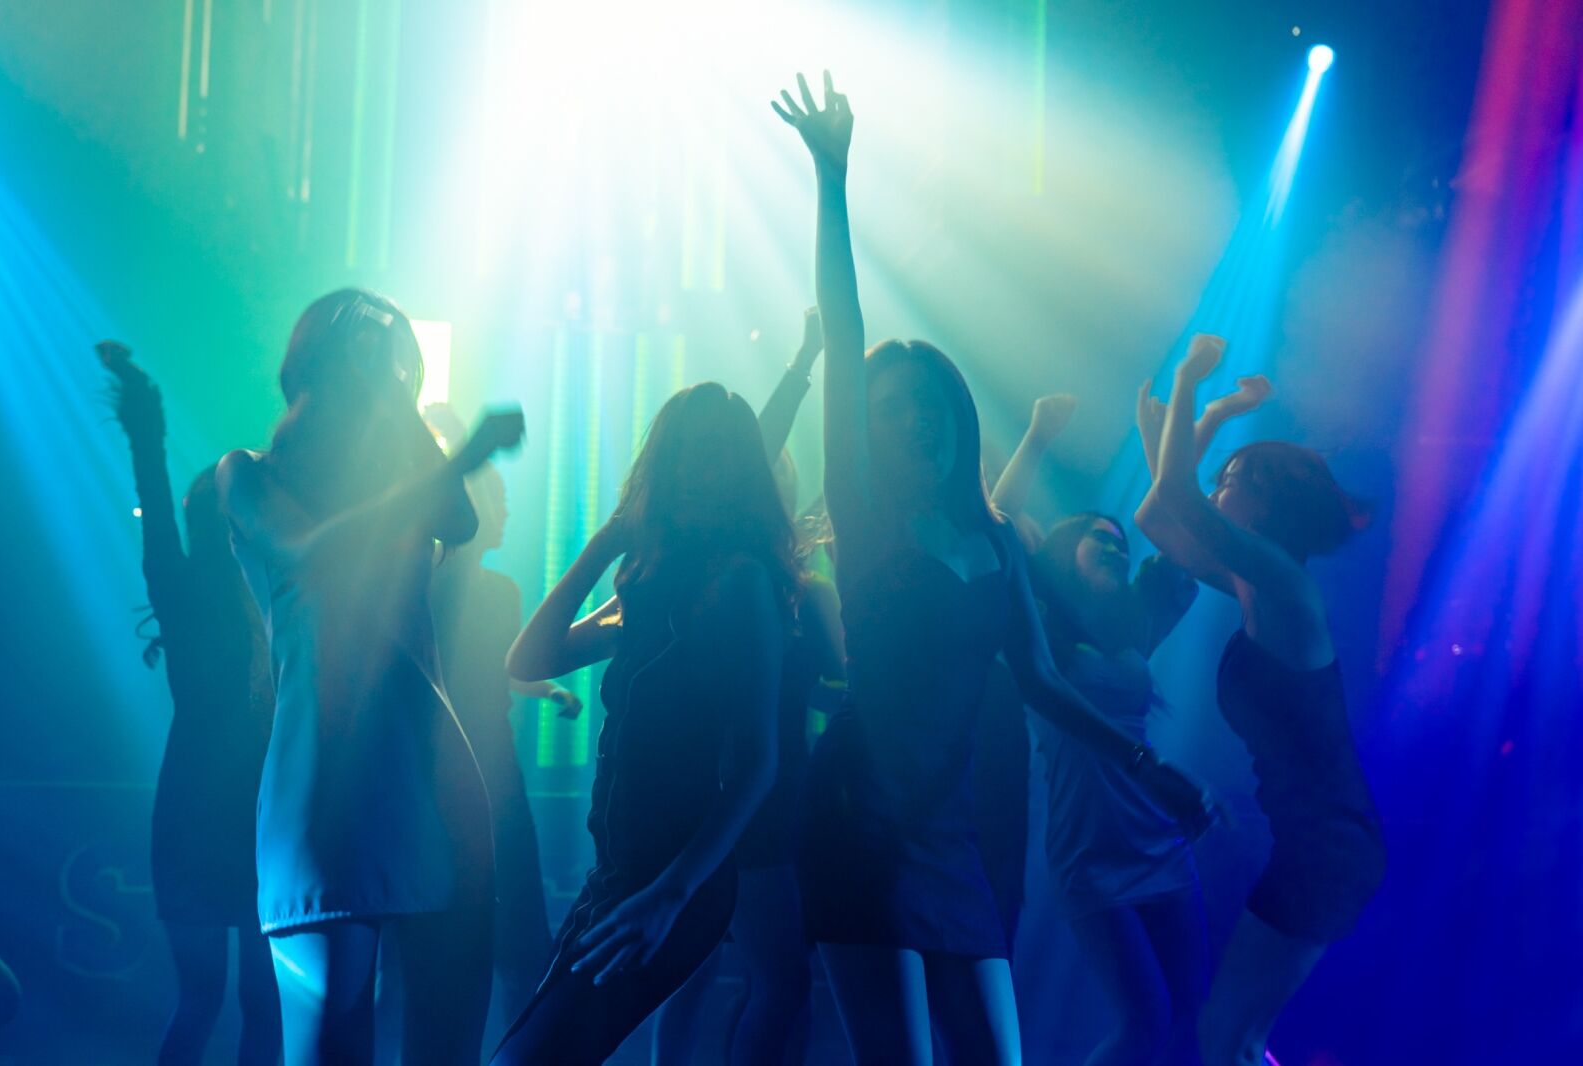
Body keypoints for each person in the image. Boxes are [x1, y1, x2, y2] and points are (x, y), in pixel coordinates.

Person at [774, 72, 1211, 1065]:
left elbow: (1045, 683)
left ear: (956, 418)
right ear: (867, 432)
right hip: (861, 815)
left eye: (929, 402)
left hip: (953, 830)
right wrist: (833, 180)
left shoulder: (995, 537)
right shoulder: (867, 521)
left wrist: (1154, 771)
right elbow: (843, 338)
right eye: (891, 407)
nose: (913, 417)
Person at [216, 289, 525, 1066]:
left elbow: (458, 520)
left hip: (437, 776)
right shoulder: (246, 474)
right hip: (324, 788)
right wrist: (458, 452)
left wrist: (403, 408)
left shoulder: (410, 487)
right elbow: (310, 549)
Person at [492, 382, 795, 1065]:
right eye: (684, 455)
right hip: (619, 878)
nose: (697, 473)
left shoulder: (739, 581)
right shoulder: (650, 584)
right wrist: (605, 544)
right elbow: (528, 658)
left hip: (671, 886)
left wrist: (671, 896)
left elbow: (757, 765)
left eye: (715, 456)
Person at [991, 382, 1264, 1066]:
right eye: (1098, 539)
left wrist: (1192, 425)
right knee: (1142, 1022)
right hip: (1088, 846)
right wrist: (1038, 436)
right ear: (1063, 554)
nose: (1115, 547)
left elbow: (1176, 523)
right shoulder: (1042, 635)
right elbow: (997, 518)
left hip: (1157, 833)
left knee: (1188, 1017)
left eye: (1119, 543)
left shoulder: (1134, 632)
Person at [1134, 335, 1385, 1066]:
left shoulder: (1283, 587)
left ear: (1271, 502)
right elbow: (1159, 514)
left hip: (1329, 846)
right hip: (1318, 843)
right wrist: (1208, 412)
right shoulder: (1256, 584)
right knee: (1231, 1038)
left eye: (1234, 478)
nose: (1218, 489)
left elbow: (1179, 492)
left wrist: (1189, 383)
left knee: (1227, 1039)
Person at [651, 309, 847, 1066]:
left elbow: (822, 691)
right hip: (737, 791)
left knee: (729, 975)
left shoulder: (792, 584)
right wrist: (802, 363)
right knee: (749, 976)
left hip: (773, 789)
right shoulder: (725, 567)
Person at [96, 341, 280, 1066]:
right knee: (259, 1007)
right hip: (256, 810)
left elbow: (152, 486)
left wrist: (146, 418)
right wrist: (146, 421)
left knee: (206, 1003)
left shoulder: (181, 585)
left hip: (199, 808)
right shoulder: (273, 594)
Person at [423, 407, 579, 1032]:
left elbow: (497, 672)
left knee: (499, 940)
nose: (510, 512)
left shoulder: (489, 590)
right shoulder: (446, 586)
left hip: (477, 773)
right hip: (478, 776)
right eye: (501, 499)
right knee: (509, 938)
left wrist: (546, 694)